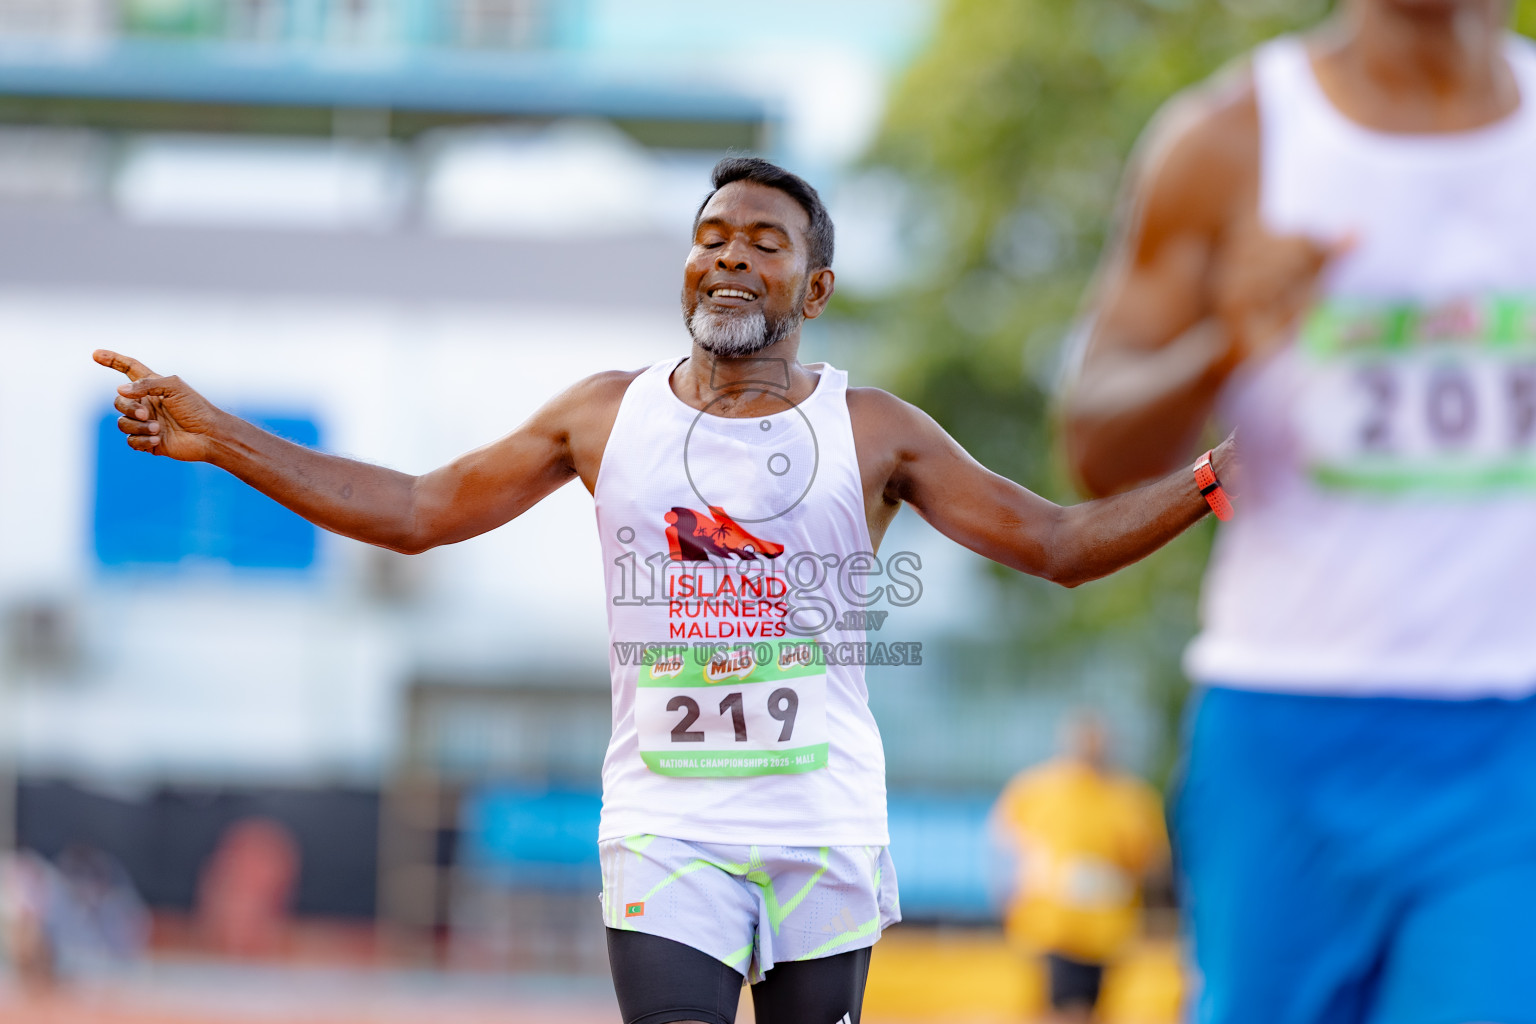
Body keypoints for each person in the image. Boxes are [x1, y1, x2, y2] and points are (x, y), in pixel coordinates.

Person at [96, 157, 1232, 1024]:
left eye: (765, 244)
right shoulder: (604, 415)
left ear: (816, 286)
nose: (731, 257)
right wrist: (224, 437)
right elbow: (412, 512)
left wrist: (1211, 482)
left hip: (820, 826)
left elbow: (1057, 540)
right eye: (711, 238)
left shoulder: (872, 429)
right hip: (668, 821)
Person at [1062, 3, 1536, 1022]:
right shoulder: (1234, 138)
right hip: (1287, 720)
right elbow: (1096, 450)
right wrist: (1223, 347)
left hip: (1510, 735)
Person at [990, 712, 1168, 1024]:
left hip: (1107, 930)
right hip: (1052, 924)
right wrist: (1007, 894)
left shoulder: (1131, 799)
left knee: (1089, 1009)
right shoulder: (1037, 790)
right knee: (1067, 1009)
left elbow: (1153, 862)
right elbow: (1003, 844)